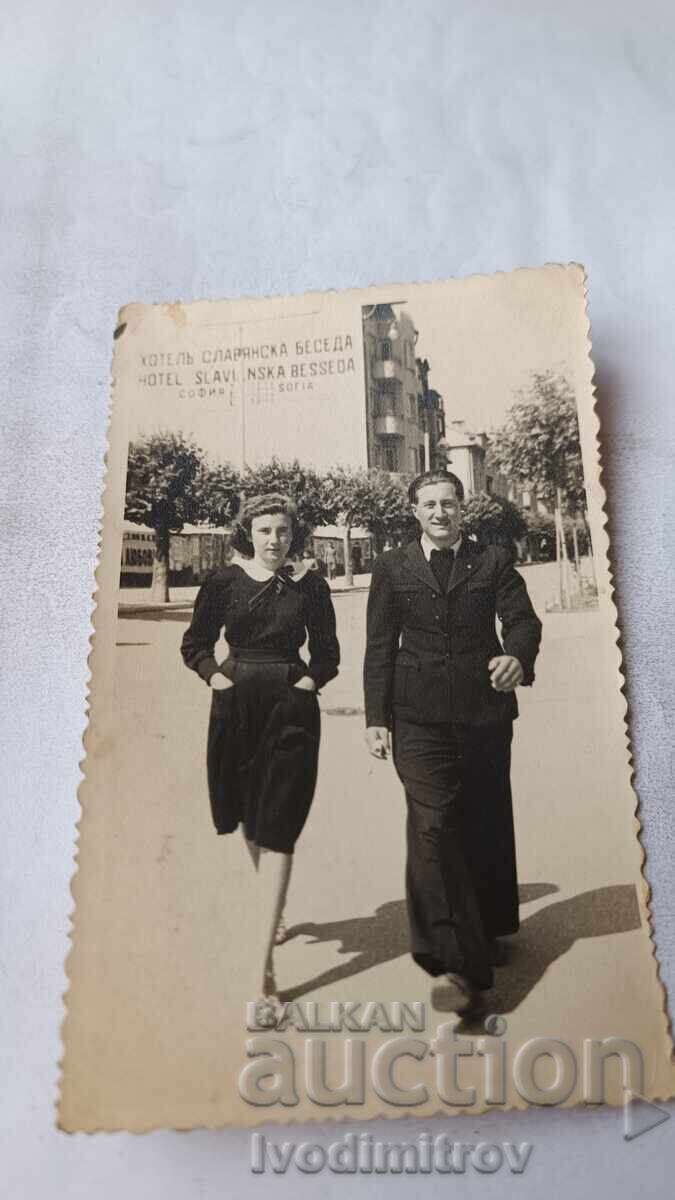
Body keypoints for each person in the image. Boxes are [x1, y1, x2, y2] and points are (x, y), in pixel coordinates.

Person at [364, 470, 542, 1013]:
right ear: (414, 511)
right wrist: (376, 718)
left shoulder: (492, 561)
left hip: (484, 713)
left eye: (449, 503)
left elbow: (523, 622)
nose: (440, 513)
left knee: (482, 820)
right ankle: (458, 963)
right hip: (416, 718)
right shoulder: (392, 567)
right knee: (434, 827)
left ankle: (489, 924)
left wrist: (517, 656)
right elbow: (378, 646)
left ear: (463, 509)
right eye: (429, 504)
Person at [181, 493, 340, 1021]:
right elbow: (195, 644)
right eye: (265, 530)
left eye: (284, 531)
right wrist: (217, 678)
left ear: (295, 534)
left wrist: (307, 685)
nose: (275, 540)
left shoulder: (311, 587)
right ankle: (270, 911)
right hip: (235, 706)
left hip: (291, 709)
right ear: (247, 532)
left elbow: (329, 652)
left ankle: (262, 976)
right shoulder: (222, 584)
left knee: (279, 828)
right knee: (248, 819)